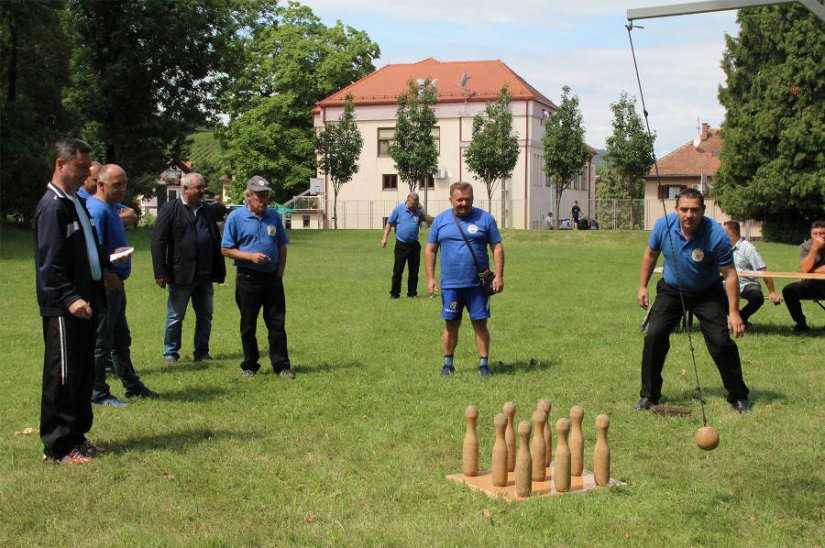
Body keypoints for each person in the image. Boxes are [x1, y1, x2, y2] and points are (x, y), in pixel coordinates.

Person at [34, 139, 113, 463]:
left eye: (88, 168)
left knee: (81, 373)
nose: (87, 174)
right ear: (60, 164)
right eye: (81, 168)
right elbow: (50, 263)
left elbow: (83, 250)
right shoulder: (53, 205)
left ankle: (77, 437)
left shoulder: (74, 201)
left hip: (85, 302)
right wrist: (70, 298)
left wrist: (106, 260)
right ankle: (57, 445)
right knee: (62, 375)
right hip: (65, 307)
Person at [636, 188, 750, 413]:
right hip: (671, 290)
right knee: (654, 337)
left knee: (720, 343)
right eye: (684, 209)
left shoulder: (716, 235)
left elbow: (729, 274)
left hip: (707, 292)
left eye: (695, 210)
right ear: (677, 209)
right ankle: (649, 395)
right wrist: (642, 286)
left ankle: (738, 395)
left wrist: (734, 312)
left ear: (703, 211)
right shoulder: (663, 226)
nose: (689, 214)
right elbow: (651, 254)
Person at [86, 164, 159, 404]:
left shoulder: (110, 208)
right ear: (101, 184)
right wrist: (107, 274)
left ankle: (131, 384)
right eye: (117, 184)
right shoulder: (97, 210)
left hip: (118, 284)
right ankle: (97, 391)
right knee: (102, 340)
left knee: (120, 338)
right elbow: (94, 249)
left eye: (124, 183)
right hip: (108, 285)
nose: (123, 189)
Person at [425, 182, 504, 378]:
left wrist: (499, 276)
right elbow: (430, 249)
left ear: (472, 199)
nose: (463, 203)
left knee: (480, 323)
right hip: (451, 285)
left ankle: (484, 365)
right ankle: (447, 364)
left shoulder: (485, 219)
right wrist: (430, 278)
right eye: (459, 199)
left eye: (467, 199)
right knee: (451, 324)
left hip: (477, 285)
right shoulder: (440, 220)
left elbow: (497, 247)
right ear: (451, 200)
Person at [221, 176, 295, 379]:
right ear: (248, 196)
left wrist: (279, 273)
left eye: (266, 195)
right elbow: (226, 249)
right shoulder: (236, 218)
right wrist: (250, 257)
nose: (263, 200)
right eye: (259, 195)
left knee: (277, 324)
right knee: (248, 324)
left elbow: (282, 245)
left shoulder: (272, 216)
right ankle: (250, 364)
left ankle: (281, 365)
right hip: (248, 278)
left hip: (272, 279)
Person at [151, 173, 226, 364]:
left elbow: (215, 240)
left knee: (205, 316)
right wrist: (160, 272)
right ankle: (170, 353)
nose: (202, 191)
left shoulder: (206, 210)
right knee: (176, 316)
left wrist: (219, 270)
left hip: (204, 274)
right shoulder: (170, 209)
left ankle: (201, 352)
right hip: (180, 274)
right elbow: (158, 242)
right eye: (198, 188)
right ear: (186, 189)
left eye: (203, 187)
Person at [723, 221, 781, 329]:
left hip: (747, 283)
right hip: (727, 283)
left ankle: (741, 317)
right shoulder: (723, 248)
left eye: (723, 233)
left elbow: (763, 269)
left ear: (731, 234)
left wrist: (772, 292)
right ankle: (734, 318)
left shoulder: (748, 248)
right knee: (716, 294)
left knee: (757, 297)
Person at [381, 192, 433, 298]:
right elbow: (389, 223)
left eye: (416, 204)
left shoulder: (418, 211)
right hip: (401, 245)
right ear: (407, 200)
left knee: (414, 271)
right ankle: (395, 294)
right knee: (398, 271)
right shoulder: (398, 209)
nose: (414, 206)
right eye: (412, 204)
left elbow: (431, 221)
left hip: (414, 245)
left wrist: (422, 211)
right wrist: (384, 238)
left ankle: (412, 293)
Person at [782, 220, 825, 333]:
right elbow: (805, 269)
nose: (818, 237)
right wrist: (814, 248)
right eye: (815, 234)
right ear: (811, 235)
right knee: (789, 290)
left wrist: (812, 272)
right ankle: (801, 323)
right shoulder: (805, 246)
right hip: (812, 284)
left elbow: (807, 271)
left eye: (822, 233)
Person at [78, 161, 138, 227]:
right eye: (95, 180)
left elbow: (132, 214)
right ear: (84, 178)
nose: (100, 183)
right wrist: (113, 216)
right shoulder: (79, 199)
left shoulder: (106, 199)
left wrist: (108, 219)